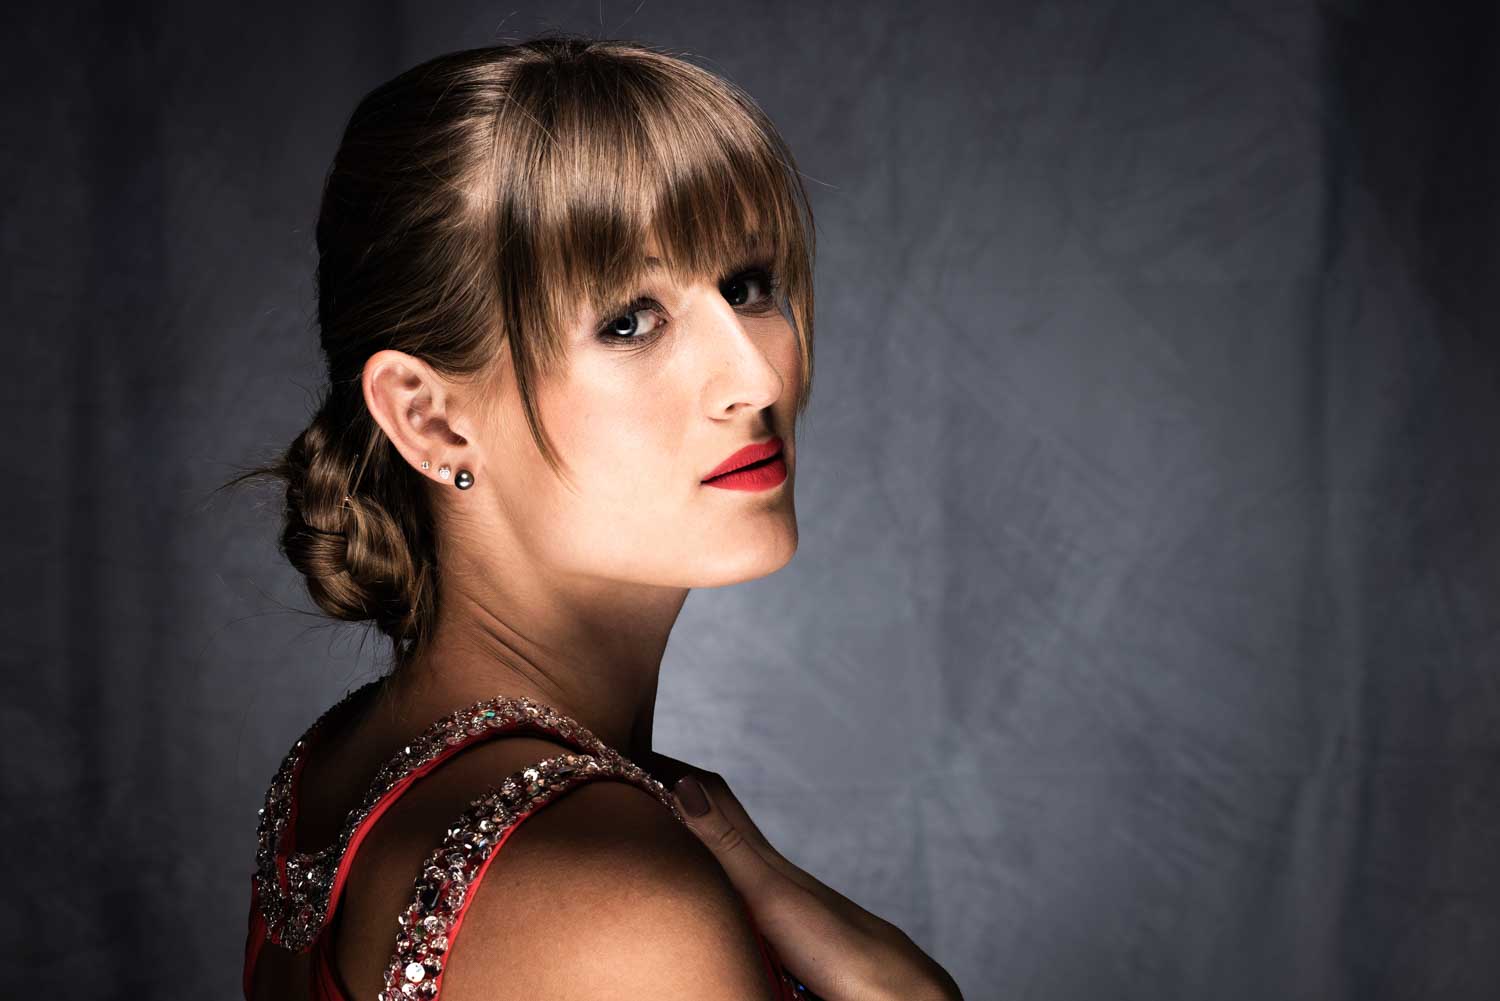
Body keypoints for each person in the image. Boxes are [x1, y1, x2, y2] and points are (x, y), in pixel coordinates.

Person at [232, 34, 963, 1001]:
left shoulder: (343, 759)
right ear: (430, 417)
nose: (754, 378)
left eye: (747, 286)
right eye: (629, 321)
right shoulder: (616, 904)